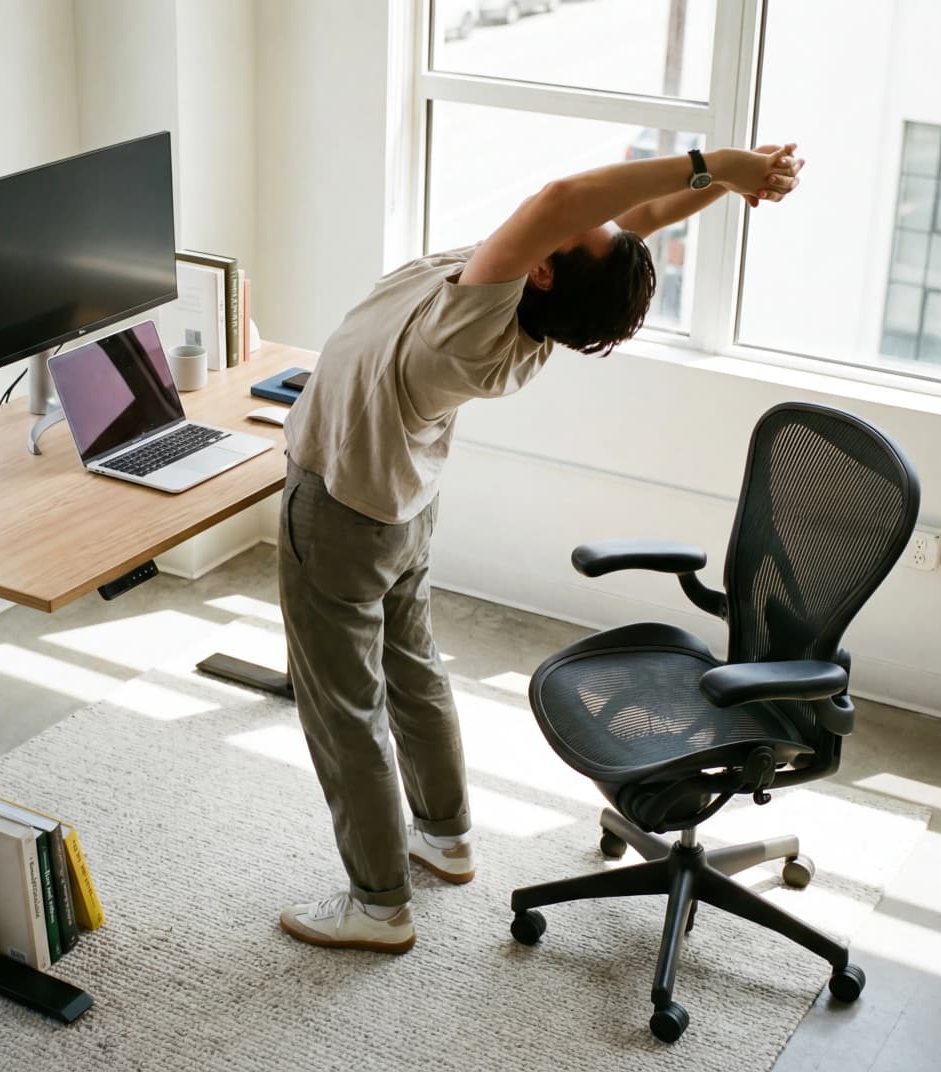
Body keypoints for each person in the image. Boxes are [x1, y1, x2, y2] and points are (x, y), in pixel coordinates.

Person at [274, 143, 806, 953]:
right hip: (403, 503)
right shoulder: (526, 303)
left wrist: (716, 158)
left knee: (343, 709)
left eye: (575, 233)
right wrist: (722, 184)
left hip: (342, 509)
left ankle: (378, 906)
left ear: (548, 270)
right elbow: (635, 216)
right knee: (412, 670)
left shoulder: (478, 313)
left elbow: (564, 197)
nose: (586, 219)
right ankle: (445, 839)